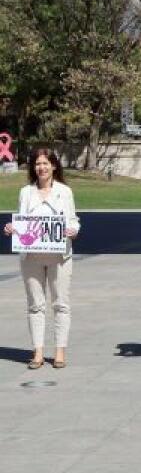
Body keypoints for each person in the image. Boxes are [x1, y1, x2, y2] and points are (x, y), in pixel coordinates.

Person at [4, 149, 80, 369]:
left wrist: (73, 230)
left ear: (54, 166)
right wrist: (12, 229)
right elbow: (21, 221)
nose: (41, 167)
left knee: (61, 304)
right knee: (35, 306)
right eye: (37, 163)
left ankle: (59, 352)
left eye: (46, 163)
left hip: (60, 256)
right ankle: (37, 352)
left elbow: (73, 220)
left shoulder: (65, 191)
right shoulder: (25, 192)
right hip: (31, 258)